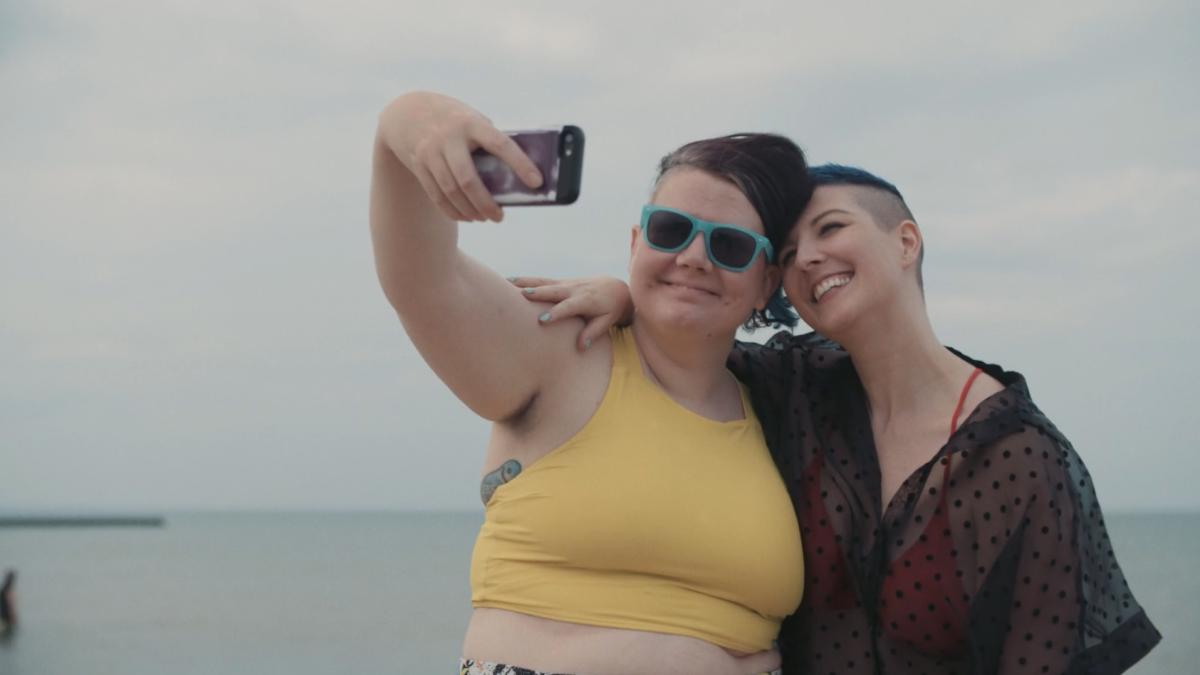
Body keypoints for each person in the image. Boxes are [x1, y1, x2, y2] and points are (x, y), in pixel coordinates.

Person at [517, 164, 1161, 674]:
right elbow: (687, 333)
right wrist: (625, 294)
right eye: (790, 250)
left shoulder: (1021, 457)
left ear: (905, 240)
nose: (807, 259)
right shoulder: (793, 386)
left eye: (830, 229)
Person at [370, 90, 814, 675]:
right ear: (636, 244)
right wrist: (403, 124)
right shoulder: (564, 348)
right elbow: (423, 281)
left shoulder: (782, 406)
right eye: (670, 229)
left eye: (730, 246)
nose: (694, 257)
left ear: (767, 284)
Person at [0, 569, 15, 636]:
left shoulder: (3, 589)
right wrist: (13, 616)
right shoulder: (8, 590)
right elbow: (10, 604)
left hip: (2, 613)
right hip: (6, 615)